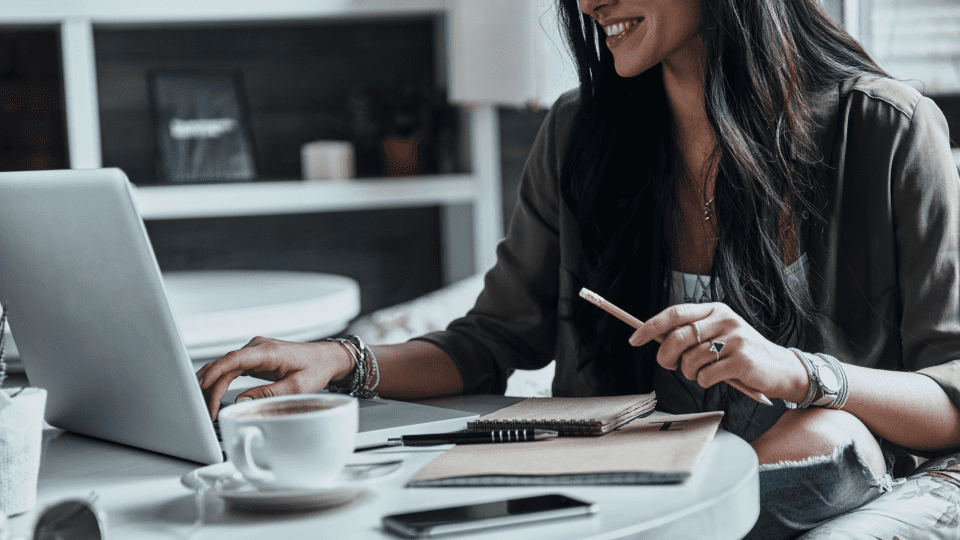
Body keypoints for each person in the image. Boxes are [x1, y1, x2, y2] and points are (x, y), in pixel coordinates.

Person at [197, 0, 960, 537]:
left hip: (808, 478)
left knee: (824, 435)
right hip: (622, 486)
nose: (591, 1)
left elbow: (951, 395)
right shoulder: (579, 131)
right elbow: (491, 342)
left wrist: (798, 372)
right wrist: (343, 360)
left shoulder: (886, 132)